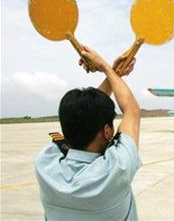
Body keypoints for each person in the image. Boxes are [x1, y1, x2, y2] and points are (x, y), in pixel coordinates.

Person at [34, 46, 142, 221]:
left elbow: (84, 112)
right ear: (107, 131)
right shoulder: (117, 170)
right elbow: (132, 111)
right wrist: (106, 68)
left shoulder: (45, 163)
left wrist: (112, 72)